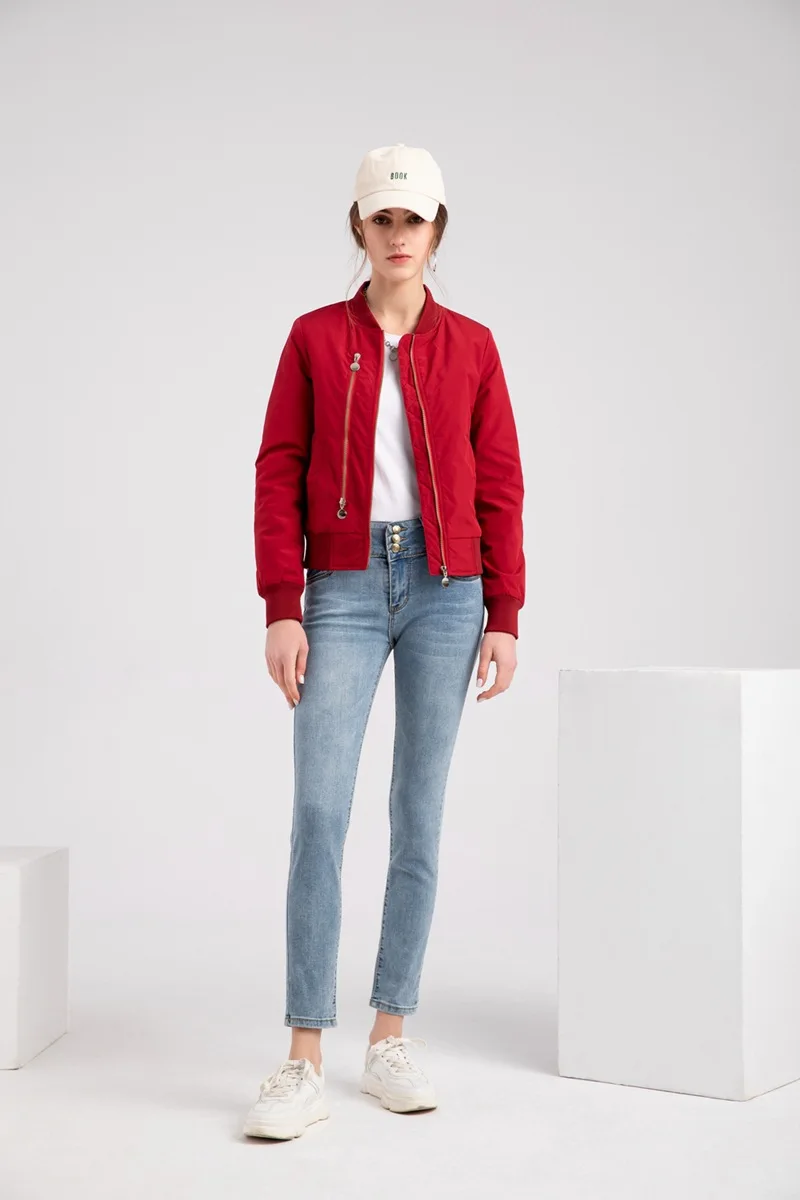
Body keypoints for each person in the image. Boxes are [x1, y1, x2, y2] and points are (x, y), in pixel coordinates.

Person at [243, 143, 525, 1140]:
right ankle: (302, 1058)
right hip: (345, 586)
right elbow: (278, 468)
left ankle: (390, 1035)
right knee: (320, 810)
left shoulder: (473, 346)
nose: (399, 235)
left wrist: (505, 612)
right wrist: (283, 603)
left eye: (415, 218)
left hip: (449, 591)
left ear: (438, 229)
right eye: (383, 218)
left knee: (418, 815)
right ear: (359, 228)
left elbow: (500, 479)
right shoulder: (315, 338)